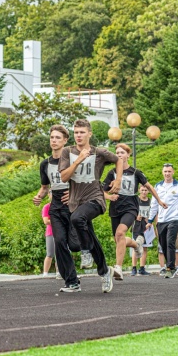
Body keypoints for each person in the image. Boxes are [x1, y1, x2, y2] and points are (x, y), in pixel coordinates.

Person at [59, 119, 122, 293]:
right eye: (76, 132)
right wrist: (78, 160)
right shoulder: (67, 152)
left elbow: (118, 160)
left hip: (95, 199)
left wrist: (118, 180)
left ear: (89, 134)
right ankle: (104, 271)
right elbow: (64, 177)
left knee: (77, 219)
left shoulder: (99, 152)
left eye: (82, 132)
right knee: (91, 237)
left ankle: (85, 251)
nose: (78, 135)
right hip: (76, 202)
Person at [103, 143, 166, 280]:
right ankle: (136, 244)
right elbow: (101, 191)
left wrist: (159, 201)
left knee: (120, 233)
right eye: (117, 153)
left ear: (128, 155)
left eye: (122, 152)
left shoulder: (135, 172)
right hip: (115, 208)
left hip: (131, 208)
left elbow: (149, 186)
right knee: (118, 239)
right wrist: (109, 196)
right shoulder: (112, 173)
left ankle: (118, 268)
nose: (119, 155)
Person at [32, 125, 82, 290]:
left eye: (58, 138)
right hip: (55, 205)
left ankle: (87, 246)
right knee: (59, 242)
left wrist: (74, 194)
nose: (54, 140)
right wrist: (39, 196)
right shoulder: (45, 164)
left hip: (72, 203)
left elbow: (84, 183)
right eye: (52, 137)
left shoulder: (73, 160)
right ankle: (71, 281)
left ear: (65, 141)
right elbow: (44, 187)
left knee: (74, 245)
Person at [146, 163, 178, 279]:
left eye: (169, 171)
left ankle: (171, 268)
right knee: (163, 244)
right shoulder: (158, 186)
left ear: (173, 172)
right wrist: (150, 220)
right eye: (165, 171)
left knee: (170, 242)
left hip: (174, 218)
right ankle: (170, 265)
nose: (167, 174)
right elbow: (154, 204)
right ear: (162, 173)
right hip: (161, 220)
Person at [131, 185, 153, 276]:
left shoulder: (150, 201)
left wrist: (150, 220)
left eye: (146, 190)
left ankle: (142, 268)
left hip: (146, 226)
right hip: (137, 225)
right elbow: (130, 211)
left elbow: (154, 213)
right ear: (139, 190)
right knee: (136, 246)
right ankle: (134, 268)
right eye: (142, 190)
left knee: (144, 247)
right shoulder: (136, 200)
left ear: (148, 191)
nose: (144, 192)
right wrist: (135, 216)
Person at [41, 193, 55, 277]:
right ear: (49, 195)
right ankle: (45, 273)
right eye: (51, 193)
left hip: (62, 233)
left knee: (60, 254)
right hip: (50, 233)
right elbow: (46, 221)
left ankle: (60, 272)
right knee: (49, 254)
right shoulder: (47, 207)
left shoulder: (63, 206)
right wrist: (58, 221)